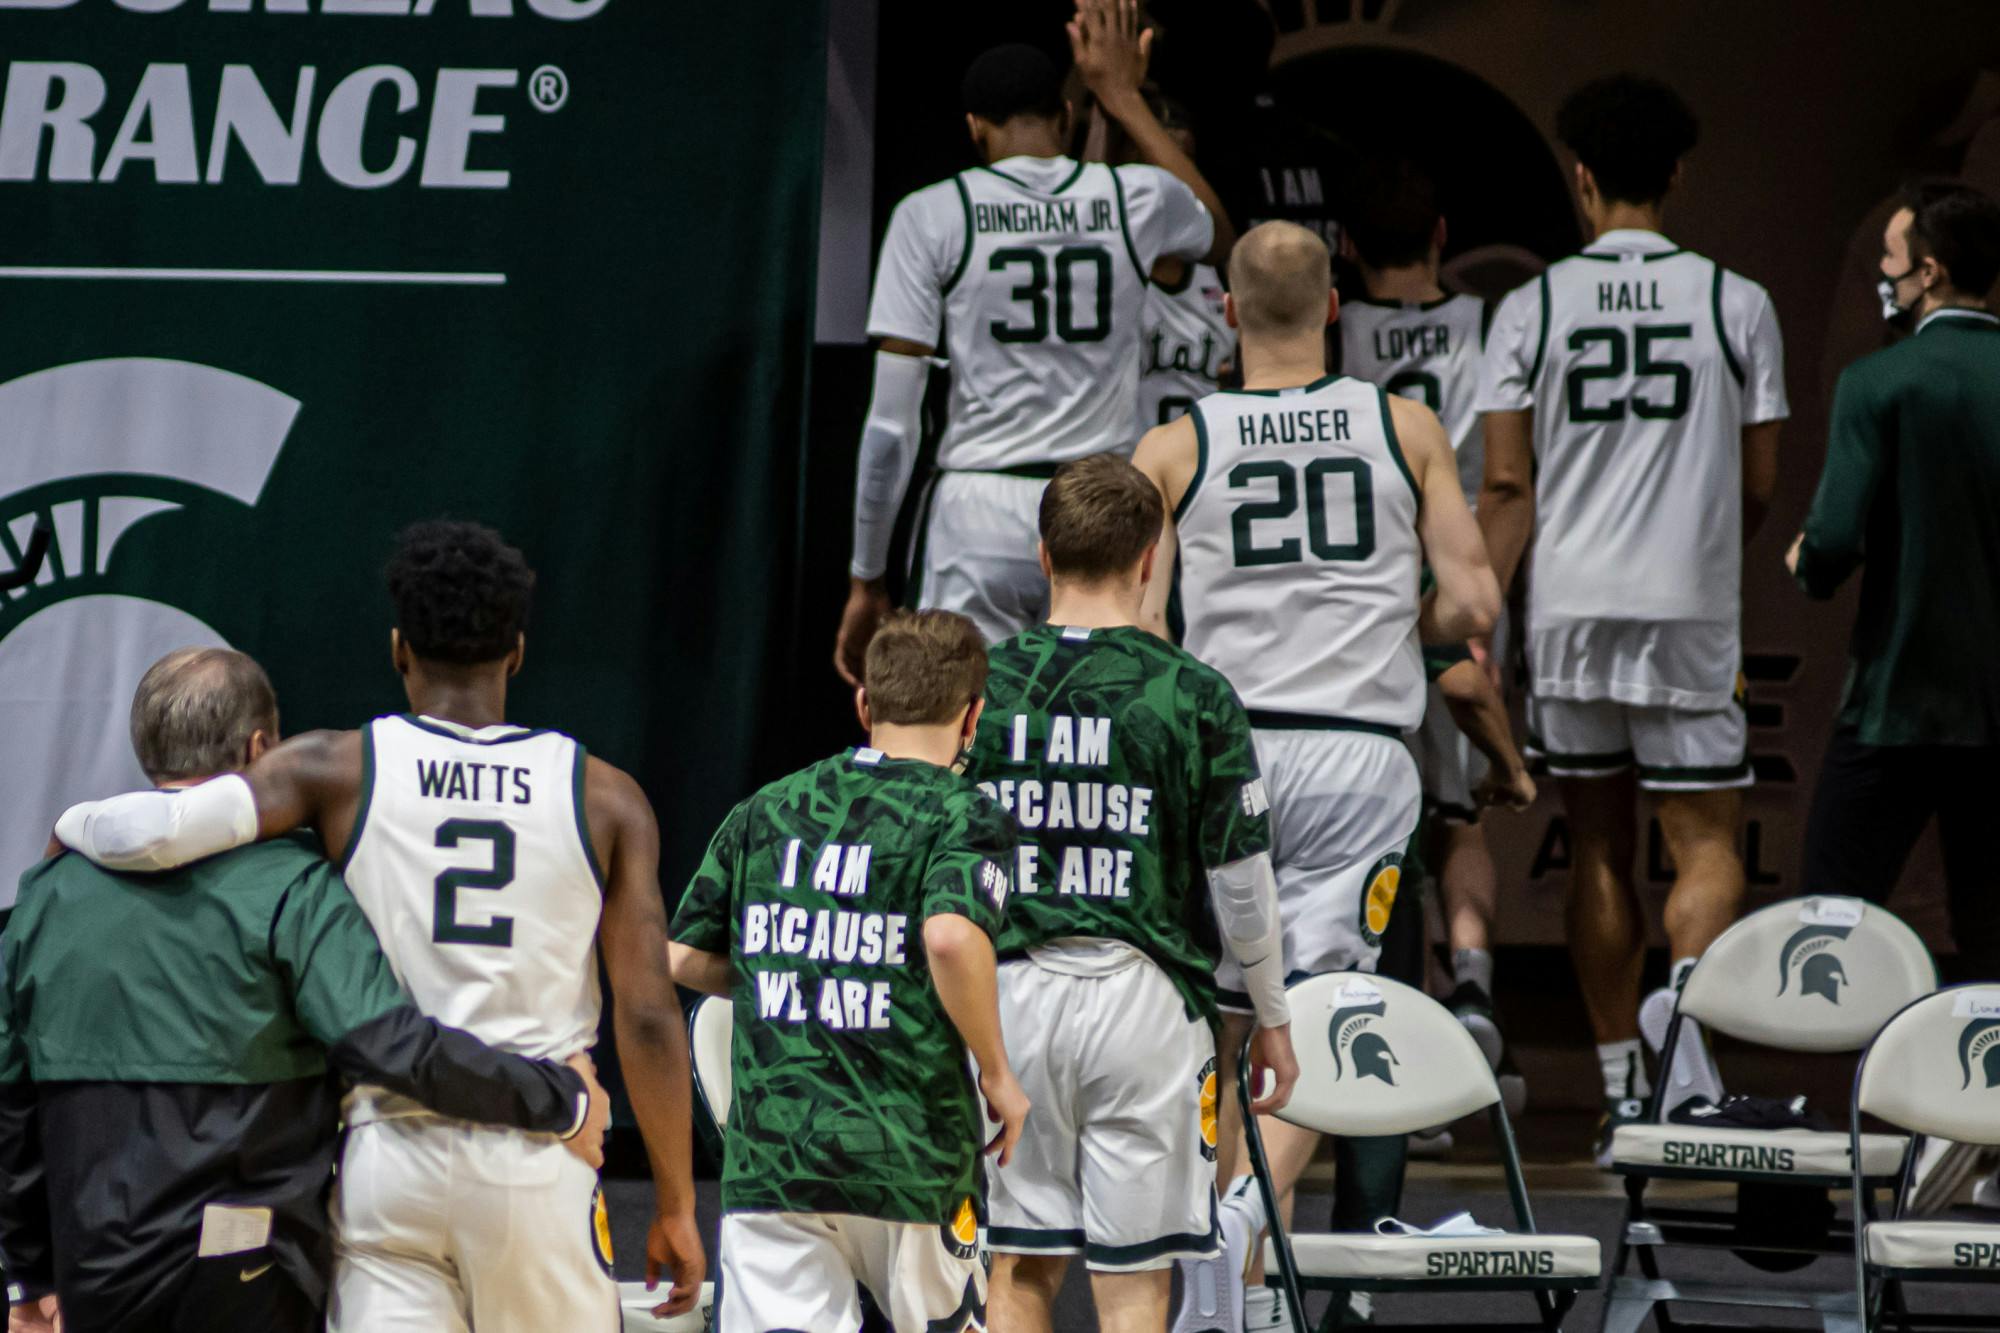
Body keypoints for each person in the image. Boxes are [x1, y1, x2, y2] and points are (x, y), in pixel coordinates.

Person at [52, 520, 704, 1329]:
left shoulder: (335, 768)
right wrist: (676, 1202)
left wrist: (72, 826)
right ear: (518, 651)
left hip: (389, 1156)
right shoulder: (606, 796)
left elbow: (162, 828)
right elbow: (646, 1013)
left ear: (399, 649)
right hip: (541, 1150)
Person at [0, 648, 610, 1333]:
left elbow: (13, 1104)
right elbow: (391, 1046)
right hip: (251, 1271)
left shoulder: (44, 896)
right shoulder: (294, 885)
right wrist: (560, 1097)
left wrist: (30, 1274)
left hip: (96, 1273)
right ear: (263, 748)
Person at [1135, 219, 1499, 1333]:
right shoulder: (1404, 426)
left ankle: (1236, 1283)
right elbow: (1474, 606)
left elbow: (1142, 634)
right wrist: (1402, 618)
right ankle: (1245, 1227)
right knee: (1323, 1012)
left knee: (1232, 1019)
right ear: (1335, 306)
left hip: (1226, 747)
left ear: (1227, 313)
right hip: (1358, 754)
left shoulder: (1173, 444)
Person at [1475, 74, 1788, 1162]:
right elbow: (1758, 480)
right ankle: (1683, 1082)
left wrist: (1478, 608)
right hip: (1684, 603)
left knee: (1597, 842)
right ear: (1677, 176)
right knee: (1700, 840)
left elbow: (1505, 482)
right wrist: (1699, 549)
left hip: (1567, 606)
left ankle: (1618, 1089)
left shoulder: (1533, 304)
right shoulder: (1731, 301)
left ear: (1580, 177)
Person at [961, 455, 1298, 1333]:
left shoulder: (980, 688)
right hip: (1147, 1007)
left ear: (1042, 554)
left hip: (1010, 1000)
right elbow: (1244, 887)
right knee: (1136, 1280)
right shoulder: (1194, 693)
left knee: (1019, 1267)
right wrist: (1271, 1016)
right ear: (1152, 558)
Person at [835, 0, 1237, 672]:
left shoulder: (933, 212)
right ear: (1066, 117)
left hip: (977, 509)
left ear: (974, 127)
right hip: (1097, 501)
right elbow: (1218, 234)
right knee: (1097, 724)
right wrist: (1123, 97)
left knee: (960, 729)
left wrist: (865, 574)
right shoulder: (1129, 197)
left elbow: (892, 425)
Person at [667, 609, 1028, 1333]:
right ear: (974, 715)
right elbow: (952, 937)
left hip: (775, 1153)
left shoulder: (767, 808)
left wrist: (799, 968)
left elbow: (677, 956)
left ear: (865, 702)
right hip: (911, 1150)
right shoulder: (964, 812)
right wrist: (997, 1071)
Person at [1787, 179, 2000, 1213]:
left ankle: (1813, 1162)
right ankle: (1977, 1138)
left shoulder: (1880, 382)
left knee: (1825, 923)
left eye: (1889, 255)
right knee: (1992, 935)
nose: (1880, 272)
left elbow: (1828, 542)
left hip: (1896, 705)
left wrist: (1800, 562)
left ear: (1930, 272)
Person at [1335, 157, 1519, 1083]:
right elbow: (1507, 480)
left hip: (1359, 602)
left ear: (1346, 246)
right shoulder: (1489, 326)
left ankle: (1394, 1035)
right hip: (1462, 579)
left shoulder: (1332, 336)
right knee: (1460, 816)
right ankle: (1473, 979)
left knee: (1378, 823)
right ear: (1442, 236)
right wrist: (1474, 600)